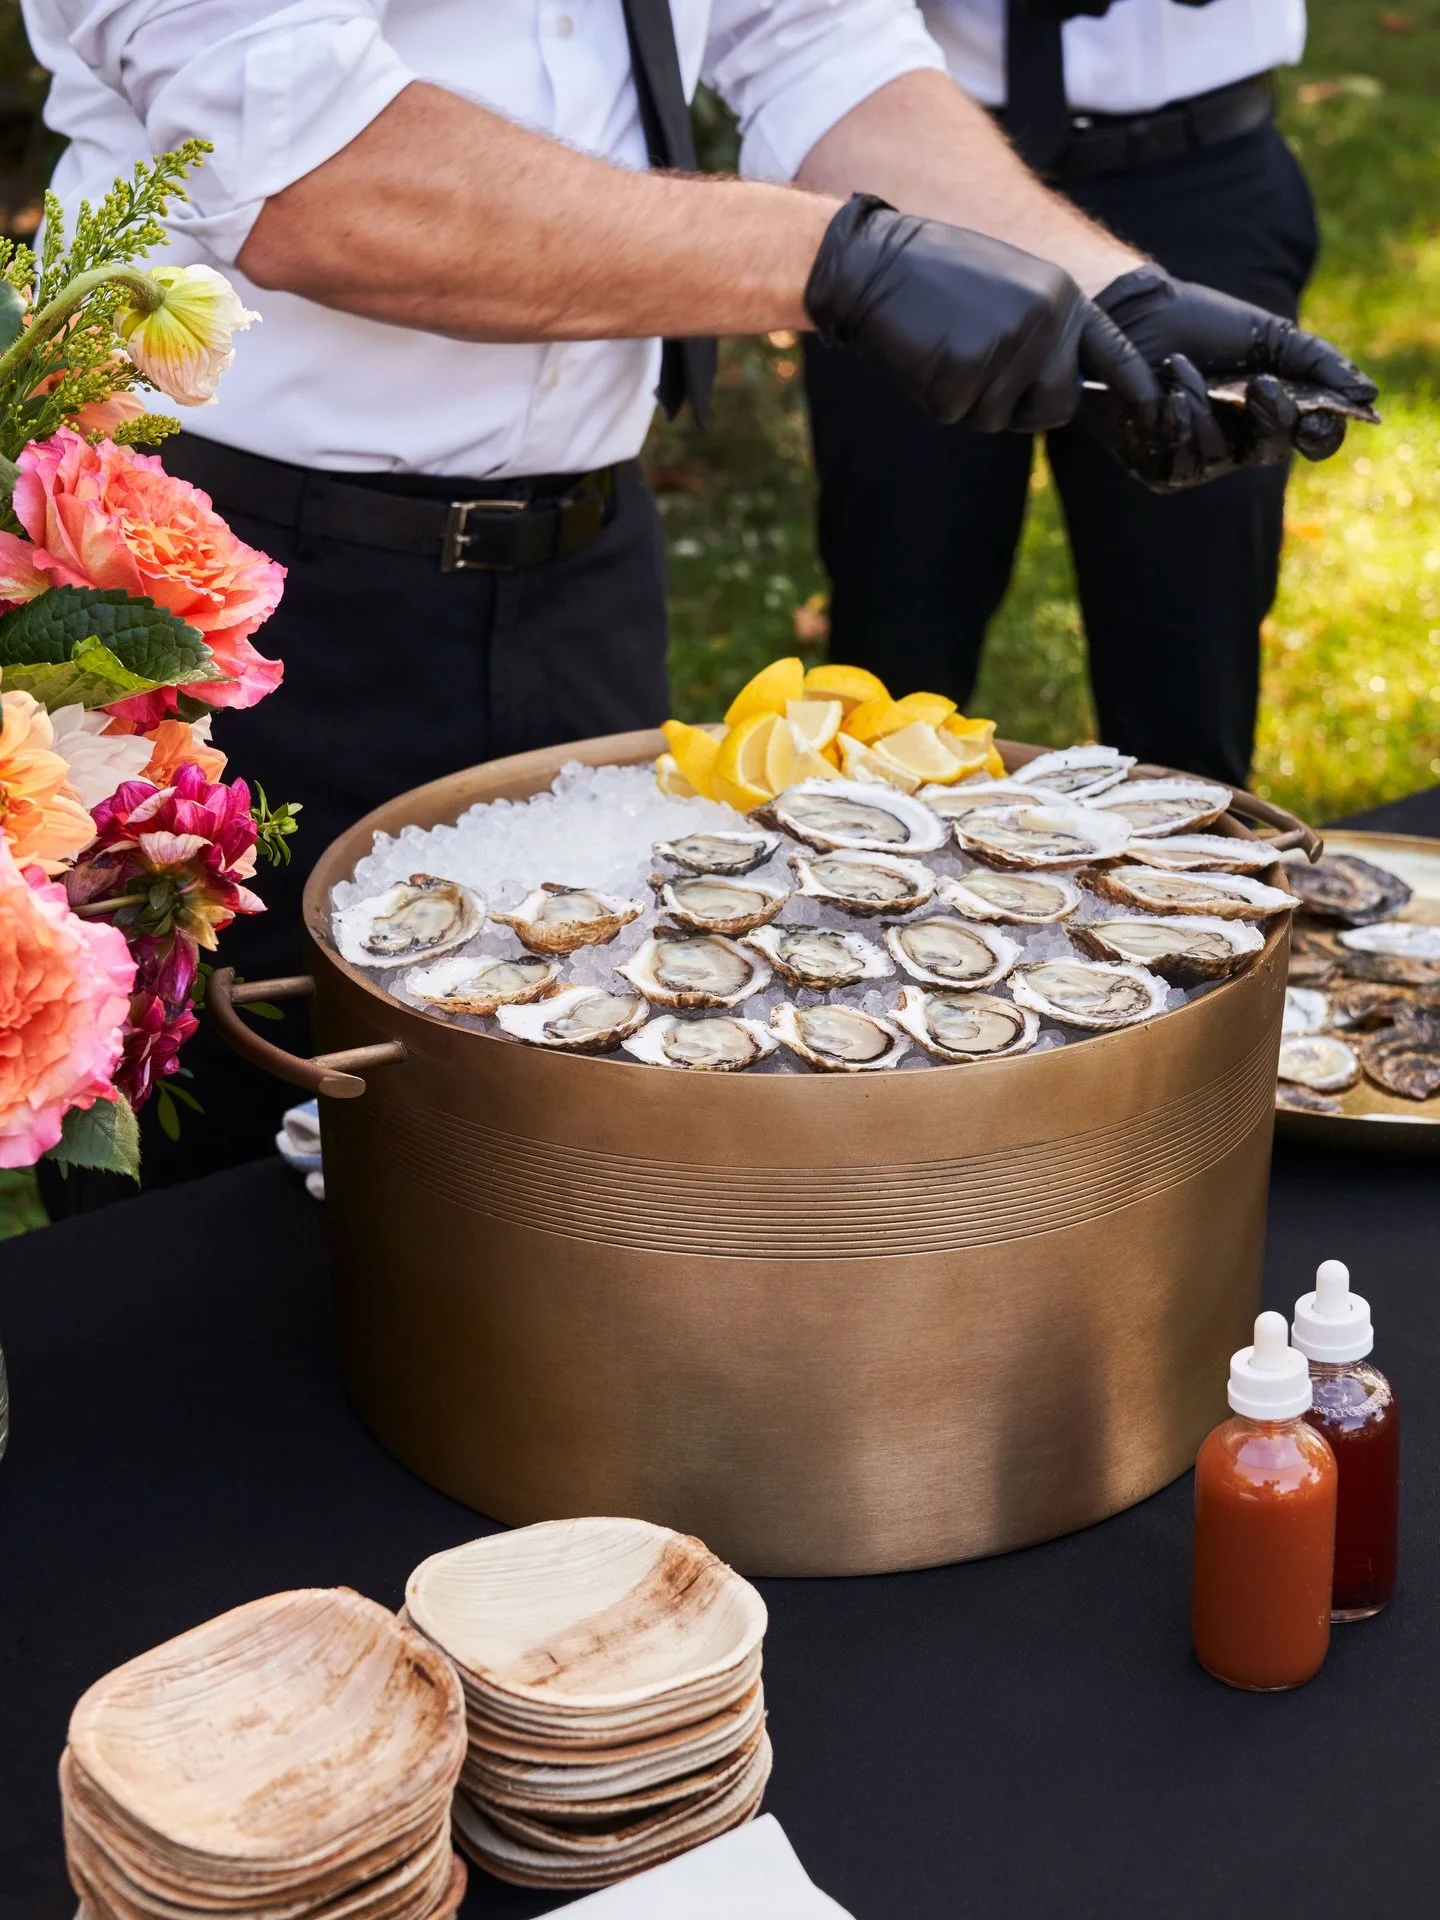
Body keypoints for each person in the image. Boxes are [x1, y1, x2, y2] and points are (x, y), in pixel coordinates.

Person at [22, 0, 1368, 1182]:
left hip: (589, 576)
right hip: (211, 592)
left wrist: (1104, 287)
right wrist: (843, 262)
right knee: (209, 1231)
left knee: (576, 1181)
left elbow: (812, 35)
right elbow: (311, 175)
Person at [804, 0, 1348, 792]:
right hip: (905, 168)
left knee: (1187, 643)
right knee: (896, 615)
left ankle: (1184, 899)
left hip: (1194, 178)